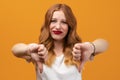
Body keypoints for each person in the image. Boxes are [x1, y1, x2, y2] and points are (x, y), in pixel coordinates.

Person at [12, 4, 108, 80]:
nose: (58, 26)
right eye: (53, 21)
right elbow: (15, 49)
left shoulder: (78, 51)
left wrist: (91, 47)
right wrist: (28, 49)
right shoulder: (39, 52)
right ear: (47, 24)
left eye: (64, 22)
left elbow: (104, 43)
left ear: (70, 26)